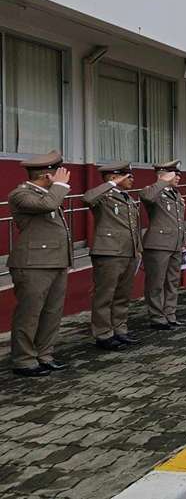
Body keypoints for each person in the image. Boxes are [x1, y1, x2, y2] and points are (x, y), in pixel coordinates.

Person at [8, 151, 73, 377]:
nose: (65, 178)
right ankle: (24, 360)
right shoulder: (20, 194)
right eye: (59, 174)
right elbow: (47, 206)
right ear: (47, 175)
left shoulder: (48, 194)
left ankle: (45, 355)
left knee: (52, 312)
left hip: (55, 261)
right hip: (32, 264)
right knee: (30, 314)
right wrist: (60, 186)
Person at [83, 162, 142, 350]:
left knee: (122, 295)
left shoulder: (127, 198)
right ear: (114, 177)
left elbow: (133, 227)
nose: (132, 179)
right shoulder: (103, 196)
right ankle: (103, 334)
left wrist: (138, 249)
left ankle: (120, 329)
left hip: (128, 252)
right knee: (105, 296)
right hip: (108, 252)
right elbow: (87, 198)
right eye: (128, 176)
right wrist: (110, 184)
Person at [141, 160, 185, 330]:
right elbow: (147, 197)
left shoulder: (176, 194)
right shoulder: (151, 190)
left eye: (179, 174)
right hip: (158, 244)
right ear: (163, 175)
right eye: (174, 174)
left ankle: (170, 314)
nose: (178, 177)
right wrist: (162, 182)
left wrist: (182, 241)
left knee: (172, 281)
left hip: (175, 244)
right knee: (156, 283)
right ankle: (157, 317)